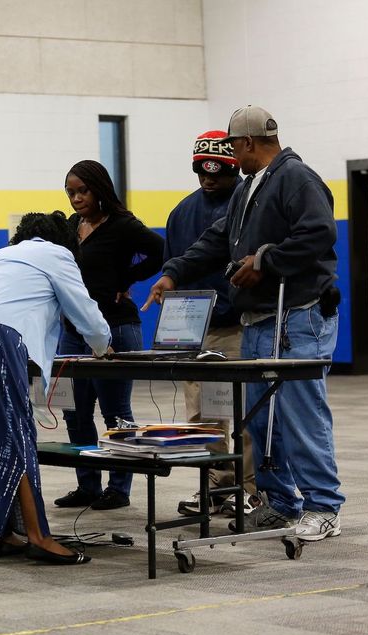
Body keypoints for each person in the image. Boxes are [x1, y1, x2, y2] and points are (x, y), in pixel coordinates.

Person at [143, 106, 344, 541]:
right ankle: (280, 501)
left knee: (300, 414)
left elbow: (319, 233)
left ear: (247, 143)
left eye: (233, 146)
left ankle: (324, 506)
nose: (231, 156)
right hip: (258, 319)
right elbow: (217, 240)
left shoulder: (296, 178)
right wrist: (173, 272)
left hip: (296, 316)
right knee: (260, 417)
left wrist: (266, 261)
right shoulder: (249, 188)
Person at [0, 212, 111, 565]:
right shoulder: (56, 254)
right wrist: (104, 344)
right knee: (15, 433)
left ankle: (4, 532)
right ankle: (39, 536)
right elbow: (85, 311)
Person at [54, 160, 164, 511]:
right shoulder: (72, 227)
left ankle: (119, 487)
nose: (75, 199)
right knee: (75, 411)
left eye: (82, 191)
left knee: (115, 411)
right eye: (70, 192)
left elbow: (161, 251)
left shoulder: (123, 225)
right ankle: (87, 484)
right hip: (72, 330)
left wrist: (126, 280)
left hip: (115, 325)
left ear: (99, 189)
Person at [164, 130, 257, 518]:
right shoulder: (181, 212)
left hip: (237, 324)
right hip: (193, 328)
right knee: (202, 414)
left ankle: (250, 487)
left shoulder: (249, 204)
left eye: (218, 171)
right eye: (202, 170)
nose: (209, 177)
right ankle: (216, 483)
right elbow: (174, 268)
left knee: (243, 410)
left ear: (234, 168)